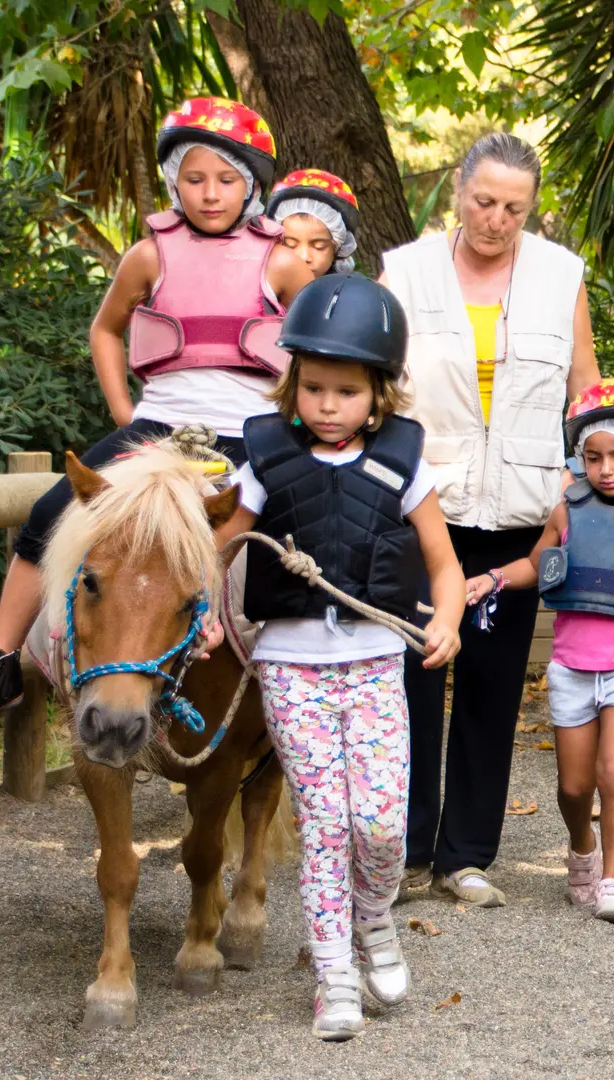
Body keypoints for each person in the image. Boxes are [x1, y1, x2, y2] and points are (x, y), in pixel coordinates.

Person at [0, 96, 316, 734]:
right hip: (159, 427)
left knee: (308, 523)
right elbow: (106, 331)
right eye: (194, 179)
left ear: (252, 186)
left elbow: (318, 352)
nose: (210, 194)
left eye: (226, 180)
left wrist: (295, 425)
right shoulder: (149, 256)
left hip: (250, 434)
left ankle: (299, 682)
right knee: (49, 514)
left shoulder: (283, 261)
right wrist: (125, 414)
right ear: (173, 181)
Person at [211, 273, 466, 1041]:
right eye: (315, 388)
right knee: (326, 822)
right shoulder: (264, 459)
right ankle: (333, 975)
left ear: (379, 393)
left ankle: (374, 921)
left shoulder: (402, 462)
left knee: (381, 826)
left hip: (376, 660)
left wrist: (448, 617)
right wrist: (208, 615)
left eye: (347, 391)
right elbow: (220, 551)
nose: (328, 406)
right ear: (293, 384)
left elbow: (443, 562)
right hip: (291, 665)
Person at [379, 132, 602, 908]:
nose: (496, 219)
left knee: (492, 683)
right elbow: (380, 387)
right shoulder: (403, 271)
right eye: (484, 201)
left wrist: (578, 489)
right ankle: (404, 851)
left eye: (514, 207)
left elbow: (586, 388)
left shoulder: (560, 275)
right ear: (459, 192)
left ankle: (465, 854)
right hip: (422, 509)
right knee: (410, 678)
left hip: (518, 513)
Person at [465, 379, 614, 924]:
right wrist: (491, 579)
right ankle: (582, 847)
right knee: (574, 787)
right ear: (579, 457)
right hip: (572, 670)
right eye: (594, 457)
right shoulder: (566, 514)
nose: (606, 469)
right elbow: (535, 564)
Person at [270, 168, 360, 275]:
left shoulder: (350, 291)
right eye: (290, 244)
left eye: (319, 246)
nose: (304, 257)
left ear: (338, 249)